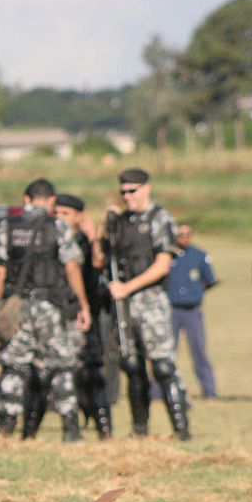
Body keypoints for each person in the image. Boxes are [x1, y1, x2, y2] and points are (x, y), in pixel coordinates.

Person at [0, 179, 91, 442]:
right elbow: (71, 267)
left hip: (18, 306)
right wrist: (82, 303)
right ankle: (71, 429)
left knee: (13, 365)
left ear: (26, 199)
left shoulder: (7, 226)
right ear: (50, 201)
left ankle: (6, 428)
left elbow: (0, 271)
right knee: (61, 365)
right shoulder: (57, 226)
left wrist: (2, 304)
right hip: (50, 305)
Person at [99, 168, 191, 440]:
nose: (127, 197)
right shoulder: (122, 221)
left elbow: (162, 266)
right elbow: (102, 255)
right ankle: (140, 429)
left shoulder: (159, 218)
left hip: (150, 302)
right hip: (125, 306)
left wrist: (126, 288)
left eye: (133, 191)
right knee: (132, 366)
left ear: (146, 188)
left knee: (162, 366)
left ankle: (182, 430)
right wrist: (107, 223)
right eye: (123, 192)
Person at [55, 193, 112, 439]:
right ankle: (73, 426)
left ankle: (104, 429)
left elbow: (100, 263)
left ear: (79, 217)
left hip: (85, 315)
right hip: (60, 314)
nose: (59, 218)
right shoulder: (52, 239)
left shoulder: (85, 241)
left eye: (65, 214)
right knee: (67, 372)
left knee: (92, 372)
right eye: (56, 213)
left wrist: (92, 236)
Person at [168, 224, 218, 399]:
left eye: (187, 234)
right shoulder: (166, 256)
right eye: (180, 234)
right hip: (171, 311)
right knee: (166, 353)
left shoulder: (199, 256)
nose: (184, 237)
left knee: (199, 352)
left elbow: (209, 281)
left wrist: (194, 293)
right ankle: (159, 392)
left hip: (192, 311)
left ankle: (209, 390)